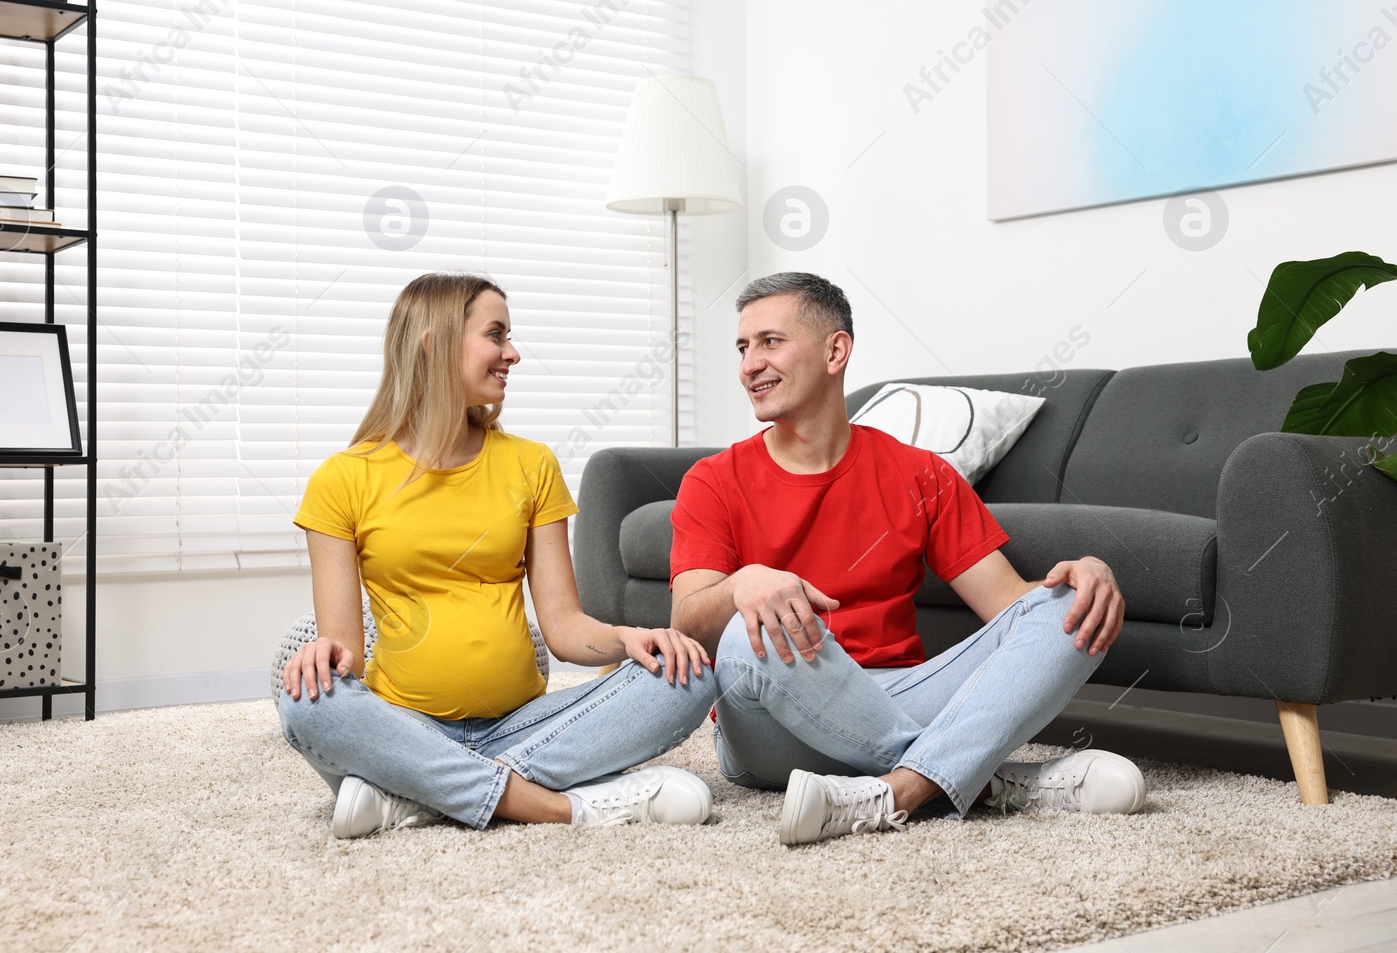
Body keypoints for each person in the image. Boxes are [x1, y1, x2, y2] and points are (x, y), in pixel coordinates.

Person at [669, 271, 1145, 846]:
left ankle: (900, 791)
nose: (749, 364)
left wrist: (1090, 571)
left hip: (901, 694)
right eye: (743, 348)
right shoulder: (713, 481)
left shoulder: (920, 473)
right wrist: (742, 585)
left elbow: (1007, 605)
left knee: (1073, 603)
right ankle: (981, 777)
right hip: (772, 728)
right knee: (748, 638)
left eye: (770, 342)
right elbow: (688, 624)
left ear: (835, 350)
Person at [278, 271, 715, 838]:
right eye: (496, 335)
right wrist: (321, 659)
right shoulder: (342, 479)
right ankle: (562, 806)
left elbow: (562, 626)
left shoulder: (531, 464)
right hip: (408, 727)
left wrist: (626, 638)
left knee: (691, 673)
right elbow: (348, 656)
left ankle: (420, 794)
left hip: (525, 725)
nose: (512, 353)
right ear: (434, 343)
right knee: (307, 704)